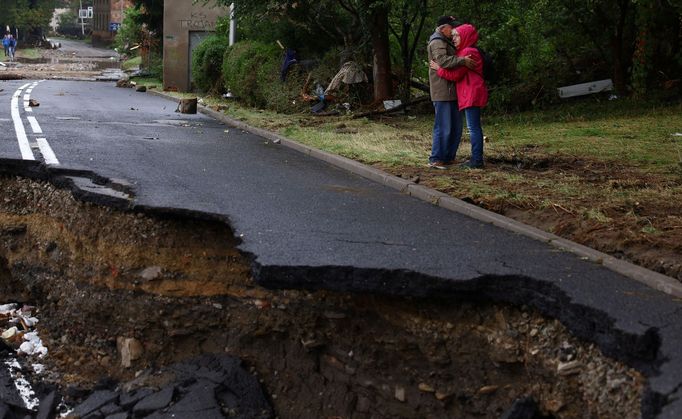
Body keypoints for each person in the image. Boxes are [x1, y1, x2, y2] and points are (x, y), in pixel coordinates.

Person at [430, 24, 488, 169]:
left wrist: (439, 69)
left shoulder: (468, 52)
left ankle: (476, 161)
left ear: (465, 36)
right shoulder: (466, 51)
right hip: (470, 92)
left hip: (471, 92)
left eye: (457, 35)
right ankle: (475, 159)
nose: (453, 38)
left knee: (473, 128)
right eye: (453, 35)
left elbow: (456, 75)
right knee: (473, 127)